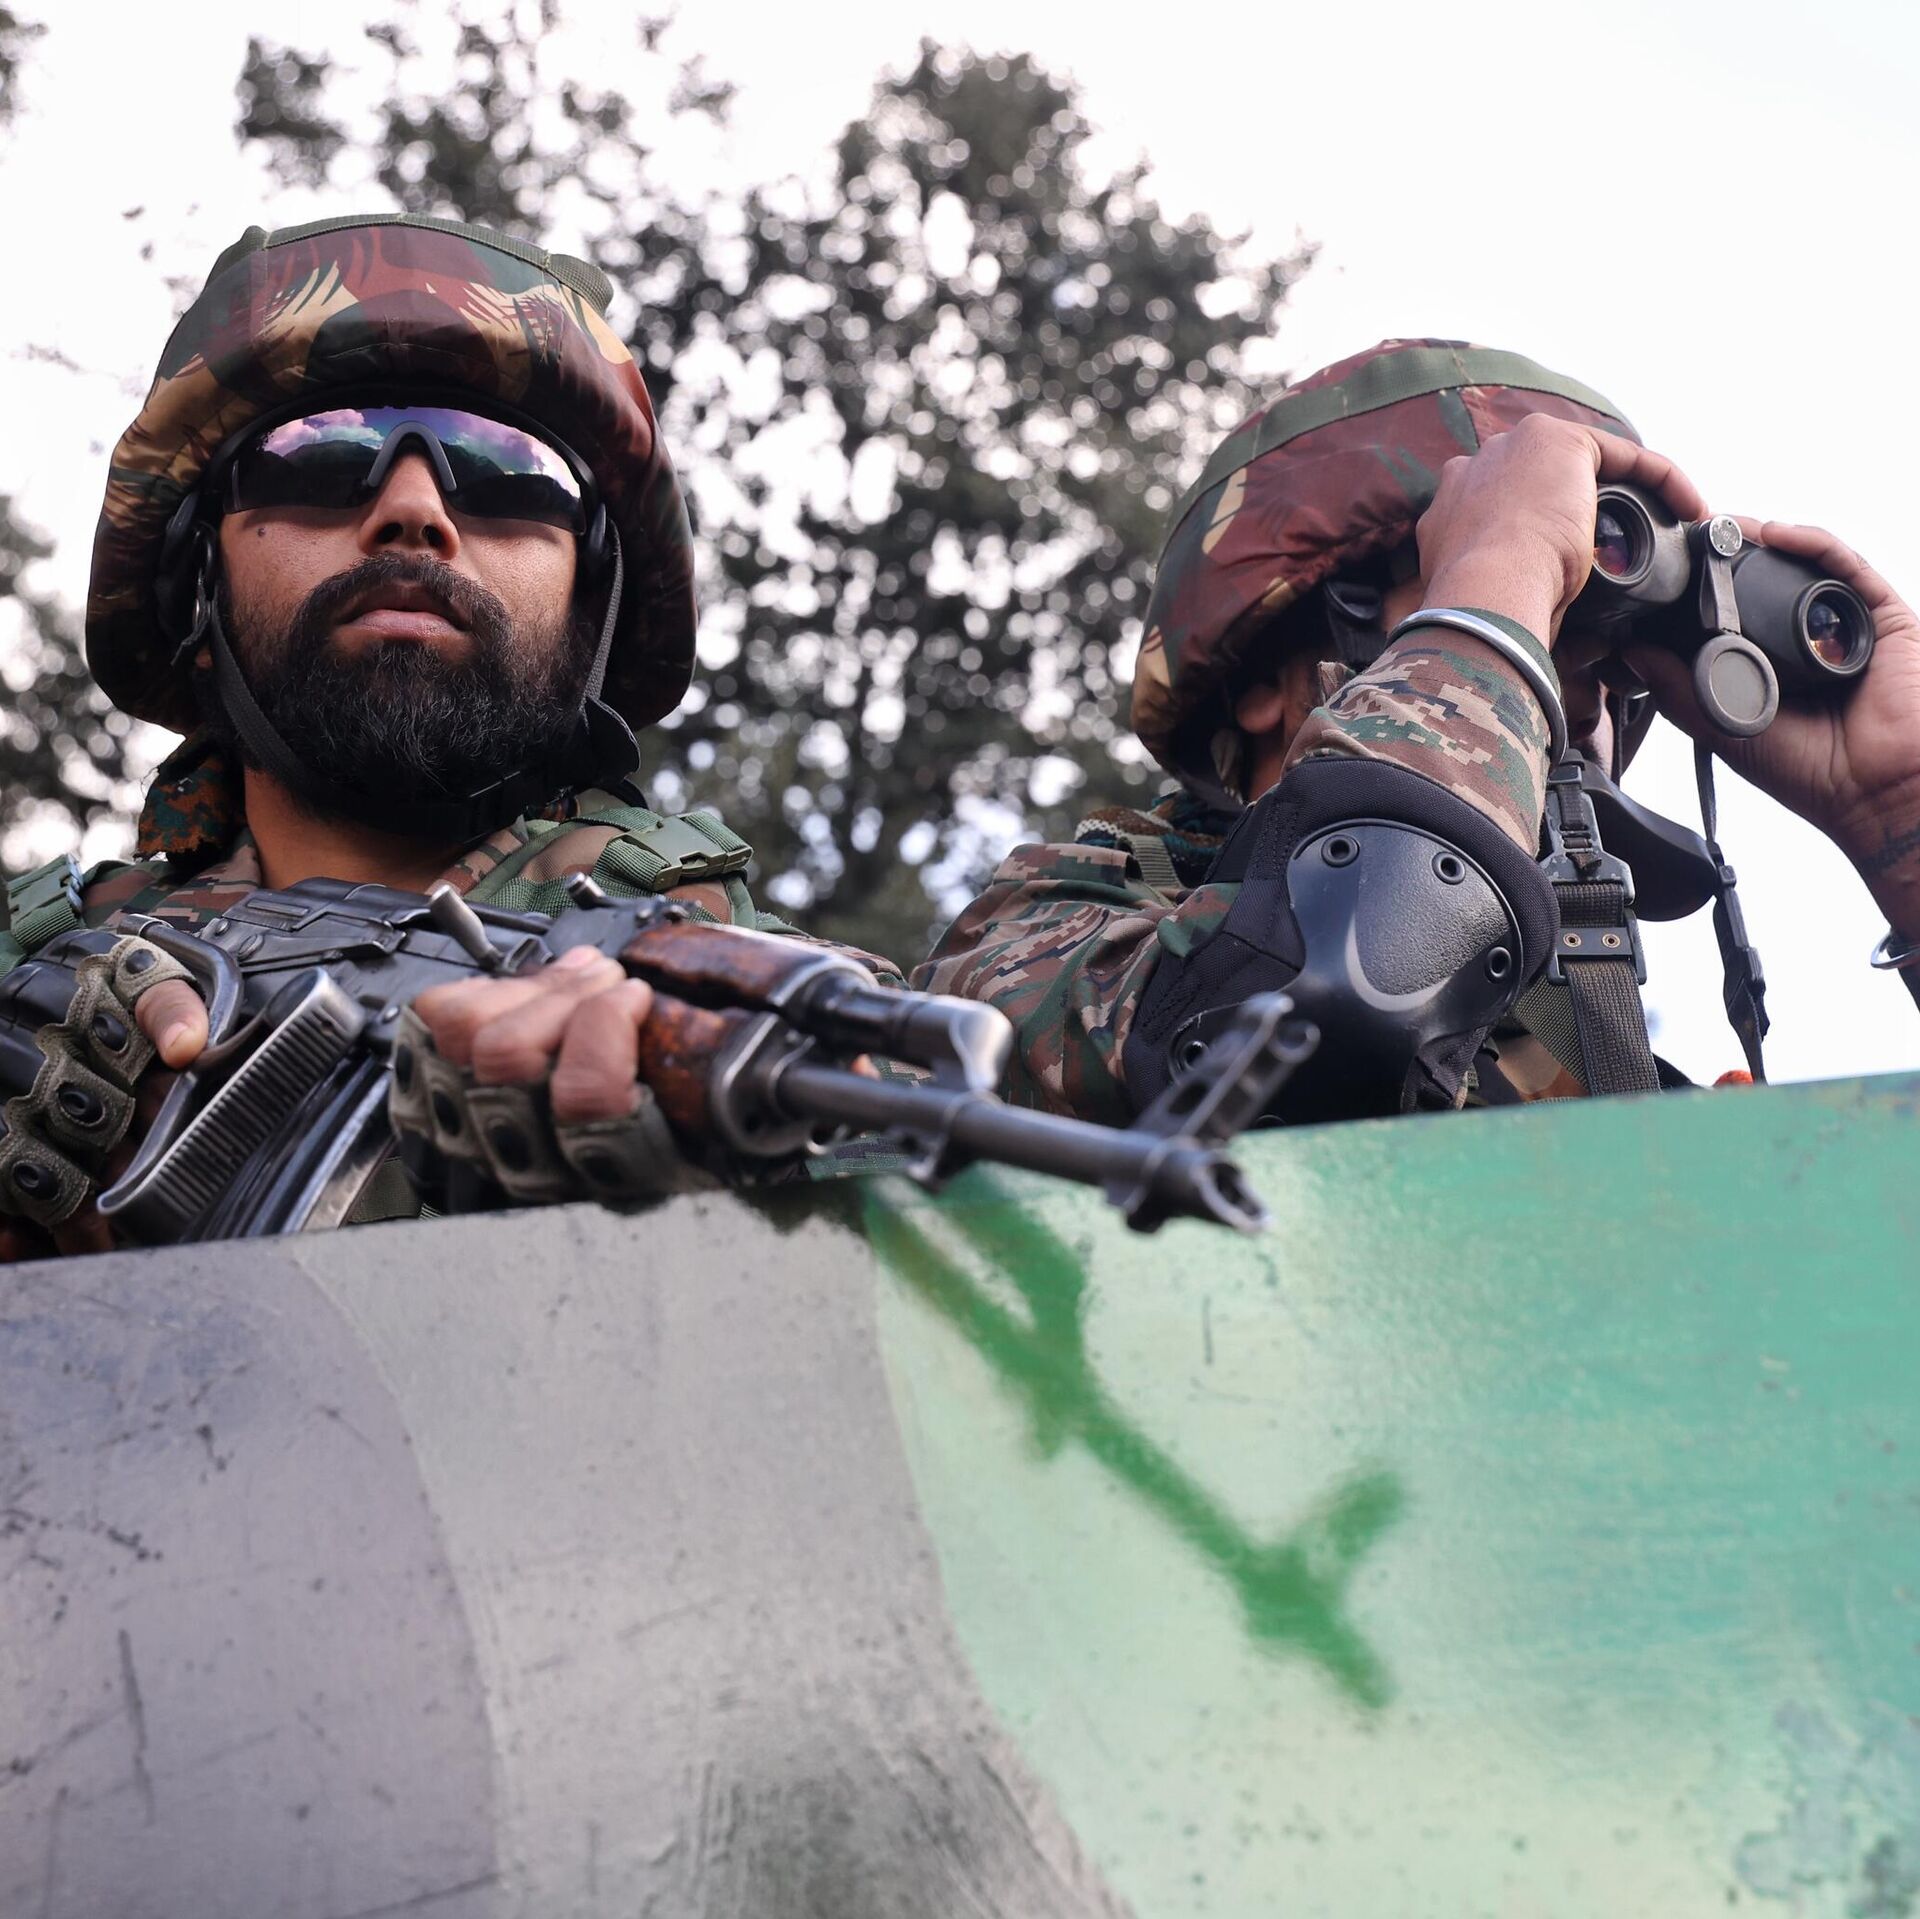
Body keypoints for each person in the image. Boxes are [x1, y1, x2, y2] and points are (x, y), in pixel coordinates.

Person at [0, 214, 894, 1258]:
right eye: (316, 457)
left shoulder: (767, 1008)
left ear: (594, 597)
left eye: (513, 474)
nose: (415, 510)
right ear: (197, 573)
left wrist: (735, 1180)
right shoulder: (40, 967)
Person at [914, 338, 1920, 1121]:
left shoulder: (1595, 1074)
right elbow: (1332, 1017)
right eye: (1507, 595)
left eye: (1591, 626)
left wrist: (1904, 813)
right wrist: (1502, 567)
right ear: (1262, 682)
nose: (1563, 673)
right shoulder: (1043, 941)